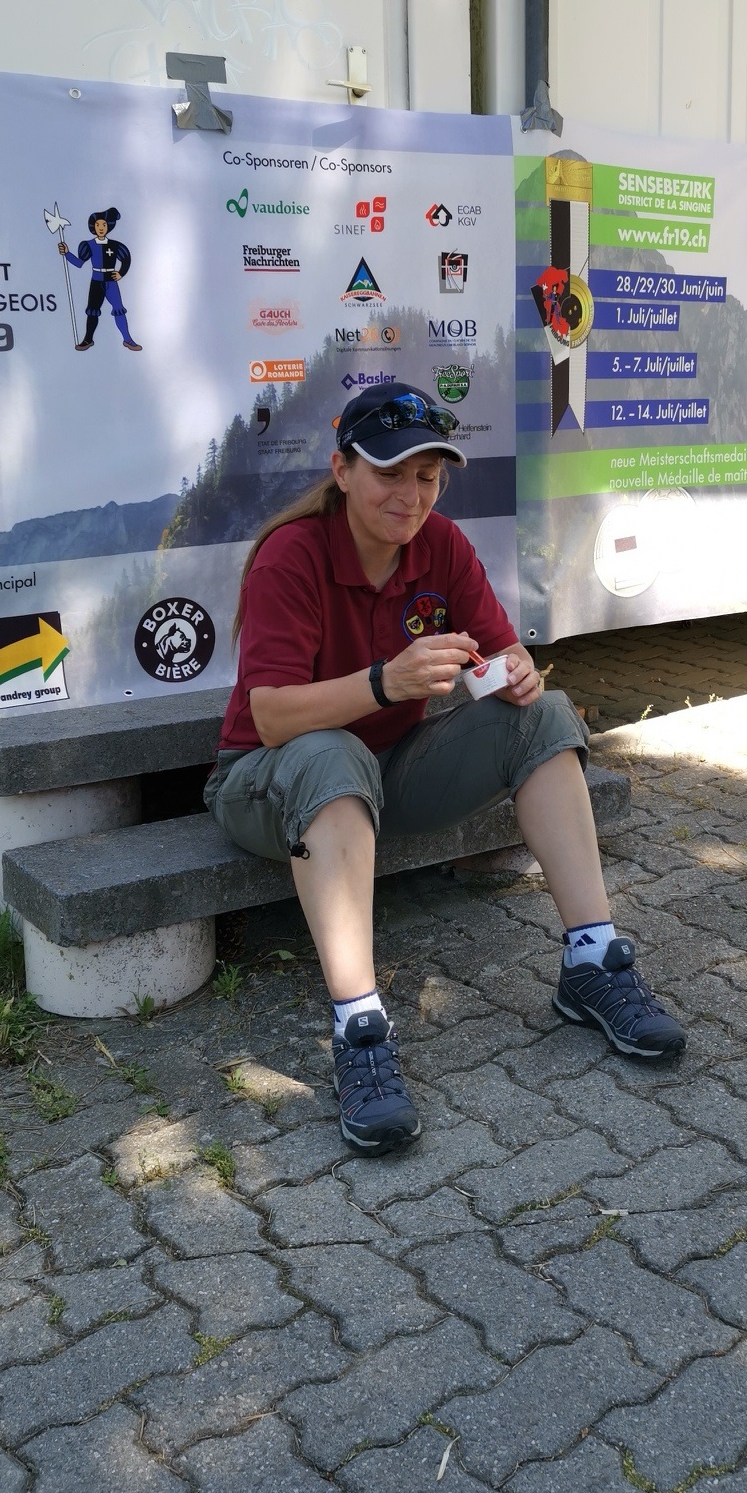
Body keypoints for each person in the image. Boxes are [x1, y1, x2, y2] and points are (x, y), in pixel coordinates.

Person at [206, 380, 686, 1155]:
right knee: (329, 752)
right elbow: (271, 718)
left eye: (427, 476)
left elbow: (503, 651)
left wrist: (516, 672)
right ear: (342, 470)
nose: (411, 494)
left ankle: (593, 961)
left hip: (383, 772)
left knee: (545, 714)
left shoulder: (443, 545)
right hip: (264, 782)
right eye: (389, 473)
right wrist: (384, 683)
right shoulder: (290, 556)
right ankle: (359, 1029)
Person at [58, 207, 142, 351]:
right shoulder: (89, 245)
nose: (101, 228)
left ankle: (128, 339)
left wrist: (121, 273)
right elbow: (79, 263)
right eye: (98, 225)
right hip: (96, 282)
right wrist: (67, 253)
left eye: (104, 225)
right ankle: (88, 339)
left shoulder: (115, 245)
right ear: (94, 227)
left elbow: (126, 258)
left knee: (119, 310)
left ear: (108, 227)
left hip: (111, 282)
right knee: (93, 311)